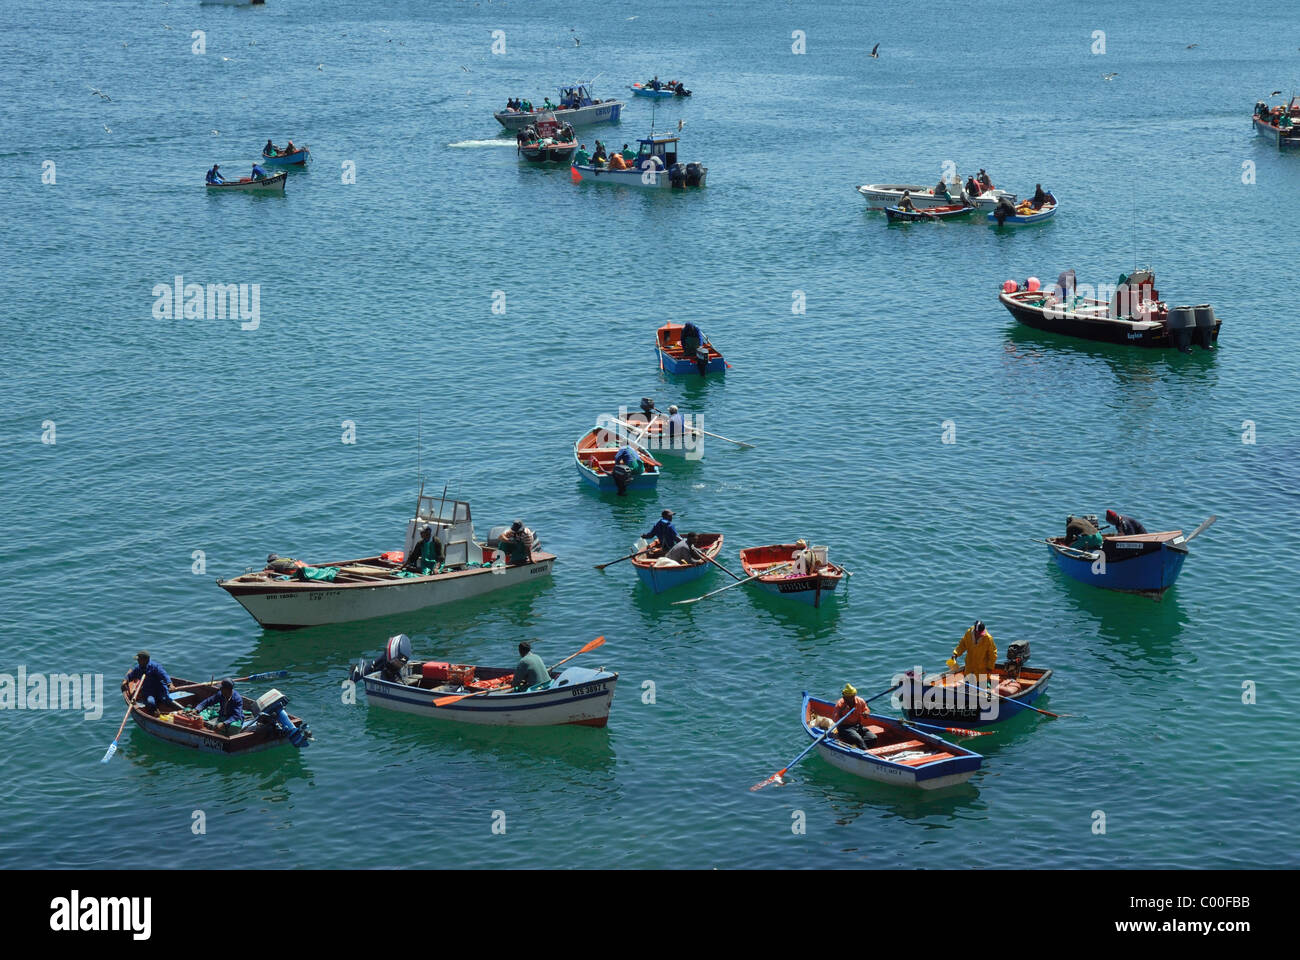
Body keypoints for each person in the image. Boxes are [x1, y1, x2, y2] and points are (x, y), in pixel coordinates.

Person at [121, 651, 174, 715]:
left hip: (160, 689)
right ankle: (155, 713)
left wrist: (170, 684)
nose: (138, 661)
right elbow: (130, 676)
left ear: (146, 659)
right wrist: (125, 680)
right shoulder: (138, 668)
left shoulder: (155, 666)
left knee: (166, 700)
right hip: (149, 691)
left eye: (139, 659)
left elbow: (164, 675)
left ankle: (177, 711)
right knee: (150, 702)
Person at [832, 683, 875, 750]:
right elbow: (835, 719)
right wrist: (842, 712)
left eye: (851, 697)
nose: (848, 699)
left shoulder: (860, 701)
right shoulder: (840, 704)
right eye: (846, 697)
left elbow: (867, 709)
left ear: (854, 695)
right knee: (858, 739)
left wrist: (866, 713)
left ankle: (861, 747)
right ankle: (866, 752)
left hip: (857, 725)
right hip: (844, 727)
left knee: (872, 738)